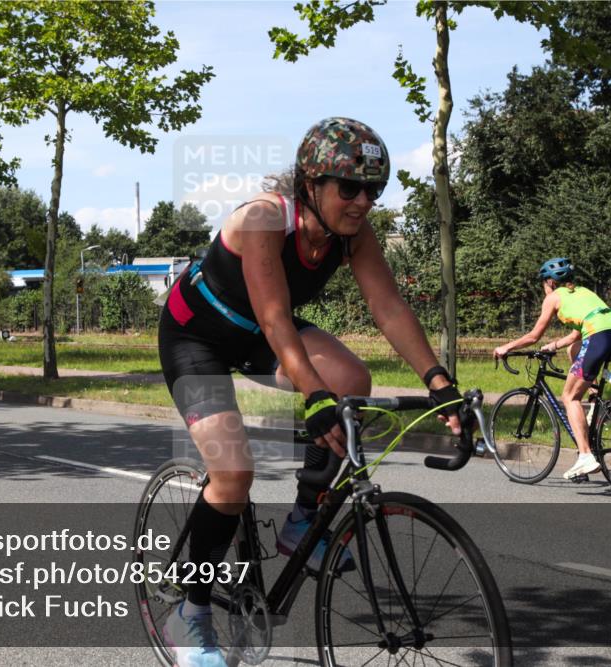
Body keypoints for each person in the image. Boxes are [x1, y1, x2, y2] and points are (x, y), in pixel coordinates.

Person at [157, 117, 463, 667]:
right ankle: (190, 610)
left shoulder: (352, 236)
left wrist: (438, 382)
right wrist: (313, 396)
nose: (363, 201)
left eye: (374, 189)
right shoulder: (263, 219)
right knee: (232, 474)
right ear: (310, 184)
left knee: (350, 382)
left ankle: (303, 520)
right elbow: (276, 318)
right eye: (350, 187)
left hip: (255, 334)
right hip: (196, 336)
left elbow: (388, 307)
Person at [492, 257, 611, 479]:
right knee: (574, 350)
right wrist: (553, 345)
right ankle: (596, 405)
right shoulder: (583, 291)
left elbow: (533, 336)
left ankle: (585, 456)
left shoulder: (553, 298)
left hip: (599, 337)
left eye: (543, 283)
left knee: (569, 397)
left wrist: (505, 347)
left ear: (550, 282)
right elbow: (578, 333)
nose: (543, 287)